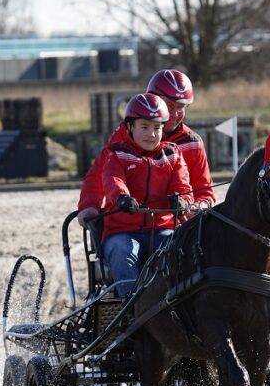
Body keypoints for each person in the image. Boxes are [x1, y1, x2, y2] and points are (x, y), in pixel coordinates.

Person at [77, 69, 214, 227]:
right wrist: (89, 205)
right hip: (127, 225)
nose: (175, 114)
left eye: (181, 107)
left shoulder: (193, 142)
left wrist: (197, 206)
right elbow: (100, 174)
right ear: (154, 101)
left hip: (175, 228)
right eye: (169, 105)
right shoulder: (124, 135)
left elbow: (204, 191)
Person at [100, 93, 193, 297]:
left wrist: (182, 200)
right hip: (122, 233)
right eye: (145, 127)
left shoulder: (173, 155)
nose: (152, 134)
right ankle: (131, 309)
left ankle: (177, 302)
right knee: (124, 252)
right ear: (130, 127)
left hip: (161, 229)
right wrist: (122, 198)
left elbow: (183, 185)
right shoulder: (116, 155)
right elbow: (113, 180)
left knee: (178, 249)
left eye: (157, 128)